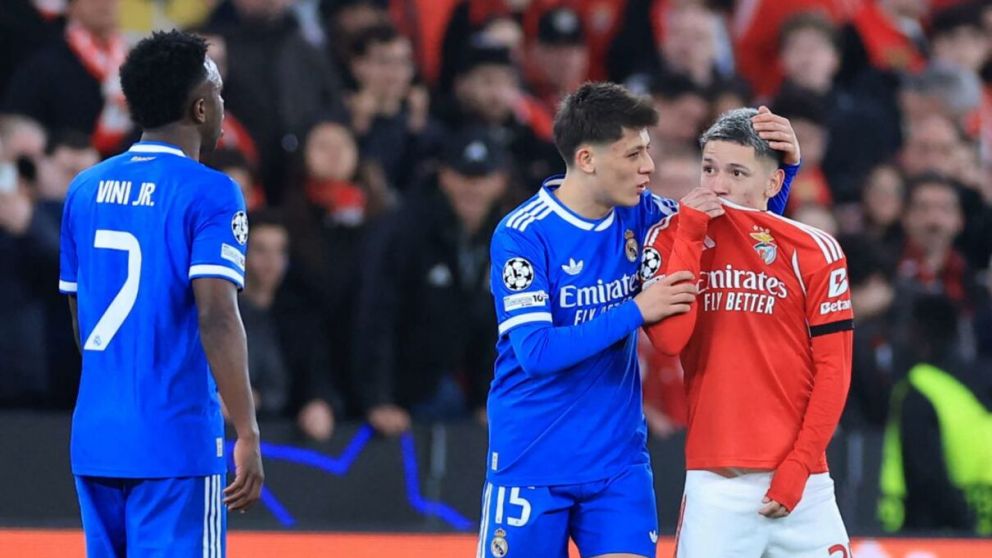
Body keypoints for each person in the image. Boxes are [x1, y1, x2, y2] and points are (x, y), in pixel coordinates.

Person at [477, 83, 796, 558]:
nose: (649, 166)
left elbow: (741, 243)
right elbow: (537, 352)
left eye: (648, 150)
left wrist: (783, 172)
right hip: (533, 459)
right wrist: (637, 310)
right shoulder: (524, 236)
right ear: (587, 160)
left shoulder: (646, 216)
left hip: (618, 464)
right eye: (633, 155)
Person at [58, 30, 263, 557]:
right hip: (175, 442)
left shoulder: (85, 188)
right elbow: (217, 317)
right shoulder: (212, 192)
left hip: (97, 438)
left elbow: (81, 315)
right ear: (199, 107)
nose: (222, 105)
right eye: (217, 94)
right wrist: (246, 430)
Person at [642, 108, 852, 557]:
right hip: (716, 488)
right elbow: (669, 341)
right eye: (709, 168)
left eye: (737, 172)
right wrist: (693, 235)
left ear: (773, 183)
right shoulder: (669, 240)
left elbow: (834, 371)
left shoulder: (815, 249)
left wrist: (799, 467)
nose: (717, 185)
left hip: (804, 485)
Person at [355, 127, 508, 435]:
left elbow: (496, 326)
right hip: (404, 390)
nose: (473, 189)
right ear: (445, 177)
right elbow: (377, 315)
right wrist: (378, 399)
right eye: (464, 177)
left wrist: (488, 400)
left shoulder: (505, 237)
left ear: (499, 182)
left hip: (453, 386)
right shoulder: (406, 231)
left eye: (482, 179)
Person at [878, 294, 992, 535]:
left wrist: (963, 525)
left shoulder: (919, 386)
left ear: (918, 332)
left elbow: (927, 474)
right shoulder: (980, 380)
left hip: (934, 529)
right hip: (982, 516)